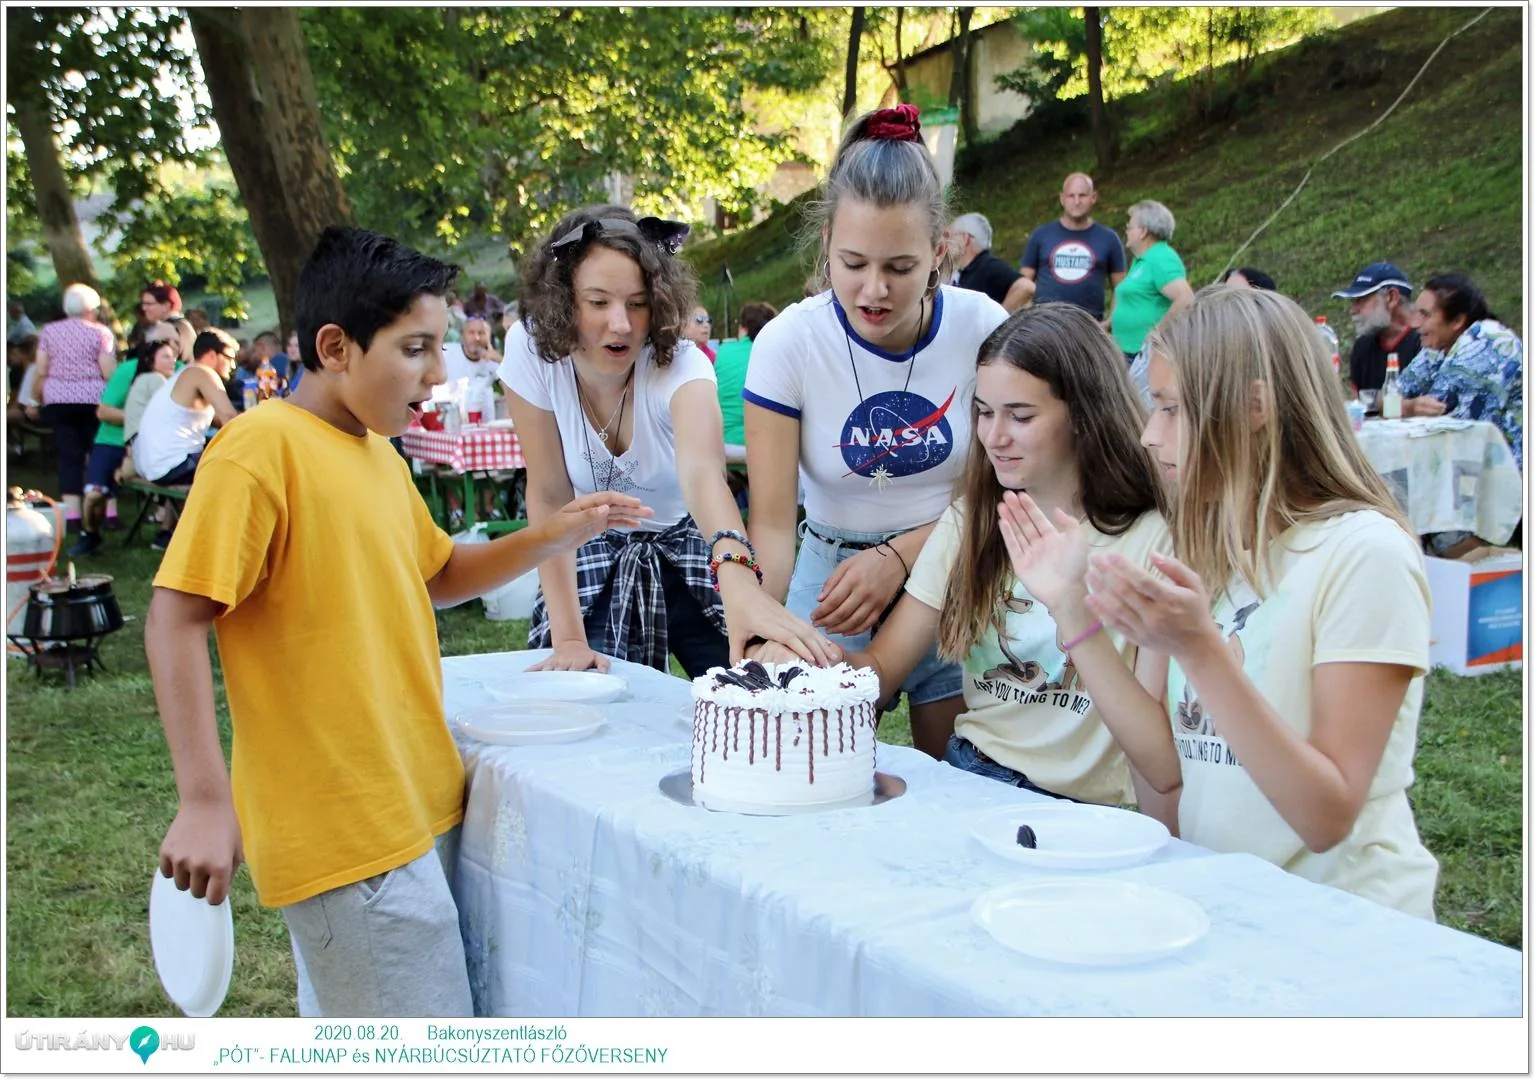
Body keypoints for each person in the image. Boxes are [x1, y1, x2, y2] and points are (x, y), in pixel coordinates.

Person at [146, 224, 651, 1018]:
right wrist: (205, 798)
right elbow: (174, 618)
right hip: (343, 831)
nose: (440, 372)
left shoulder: (377, 451)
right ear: (337, 347)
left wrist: (551, 534)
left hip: (409, 800)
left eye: (442, 346)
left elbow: (439, 575)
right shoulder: (260, 450)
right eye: (417, 348)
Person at [1078, 285, 1439, 919]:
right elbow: (1166, 774)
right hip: (1228, 913)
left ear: (1254, 407)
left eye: (1168, 408)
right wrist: (1069, 610)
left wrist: (1199, 649)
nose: (1146, 436)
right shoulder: (1208, 547)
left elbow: (1325, 816)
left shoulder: (1364, 554)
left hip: (1345, 927)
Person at [742, 104, 1011, 759]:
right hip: (829, 580)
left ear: (939, 251)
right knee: (800, 764)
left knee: (960, 786)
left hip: (955, 573)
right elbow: (773, 524)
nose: (873, 290)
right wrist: (761, 628)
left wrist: (900, 557)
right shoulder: (788, 343)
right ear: (827, 239)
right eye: (852, 262)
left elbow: (1008, 488)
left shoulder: (983, 327)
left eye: (899, 267)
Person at [838, 304, 1173, 804]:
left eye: (1020, 416)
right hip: (974, 775)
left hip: (1088, 809)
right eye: (984, 413)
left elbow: (1162, 756)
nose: (994, 437)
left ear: (1085, 414)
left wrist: (1072, 609)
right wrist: (807, 659)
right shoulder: (969, 521)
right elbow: (882, 668)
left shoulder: (1153, 538)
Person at [501, 206, 835, 677]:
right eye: (598, 302)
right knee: (592, 699)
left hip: (688, 548)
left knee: (750, 685)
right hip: (587, 548)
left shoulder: (681, 364)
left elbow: (703, 476)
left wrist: (739, 581)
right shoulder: (530, 349)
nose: (620, 323)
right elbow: (550, 493)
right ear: (563, 301)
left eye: (637, 304)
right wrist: (570, 637)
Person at [1398, 273, 1523, 469]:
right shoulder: (1438, 345)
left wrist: (1403, 408)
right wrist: (1408, 407)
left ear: (1457, 321)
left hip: (1511, 477)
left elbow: (1440, 423)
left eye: (1425, 315)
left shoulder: (1488, 342)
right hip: (1471, 466)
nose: (1415, 323)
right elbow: (1388, 396)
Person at [133, 328, 240, 550]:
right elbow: (230, 418)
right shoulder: (203, 373)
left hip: (153, 464)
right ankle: (224, 542)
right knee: (240, 469)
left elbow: (214, 421)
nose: (233, 365)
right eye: (229, 358)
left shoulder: (185, 375)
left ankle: (167, 534)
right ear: (211, 355)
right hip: (171, 464)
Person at [34, 282, 117, 526]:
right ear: (92, 308)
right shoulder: (100, 333)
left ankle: (72, 514)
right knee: (98, 453)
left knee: (69, 455)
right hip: (93, 399)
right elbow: (108, 371)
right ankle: (106, 512)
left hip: (58, 398)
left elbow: (41, 368)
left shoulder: (49, 332)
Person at [1017, 172, 1128, 321]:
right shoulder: (1041, 235)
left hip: (1089, 326)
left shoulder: (1109, 238)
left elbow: (1121, 289)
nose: (1076, 201)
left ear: (1093, 197)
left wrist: (1109, 323)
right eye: (1071, 196)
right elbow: (1023, 284)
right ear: (1062, 199)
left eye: (1082, 195)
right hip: (1045, 325)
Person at [71, 338, 146, 555]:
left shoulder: (180, 372)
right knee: (94, 495)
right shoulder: (127, 370)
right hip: (112, 441)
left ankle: (167, 533)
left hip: (149, 447)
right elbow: (104, 412)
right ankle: (89, 533)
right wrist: (142, 419)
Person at [1108, 199, 1193, 362]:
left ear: (1143, 232)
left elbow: (1185, 298)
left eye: (1130, 227)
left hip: (1145, 356)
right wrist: (1109, 323)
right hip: (1126, 351)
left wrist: (1157, 332)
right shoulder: (1141, 260)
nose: (1126, 231)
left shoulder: (1161, 258)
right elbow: (1134, 300)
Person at [1332, 261, 1420, 394]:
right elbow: (1359, 407)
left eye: (1361, 299)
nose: (1353, 310)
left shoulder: (1427, 342)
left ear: (1391, 298)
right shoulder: (1362, 348)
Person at [713, 301, 777, 466]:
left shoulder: (724, 351)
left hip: (725, 446)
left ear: (743, 328)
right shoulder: (775, 352)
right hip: (765, 447)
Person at [120, 338, 180, 486]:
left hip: (137, 449)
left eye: (173, 356)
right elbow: (172, 412)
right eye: (166, 356)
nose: (173, 360)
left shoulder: (142, 379)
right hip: (150, 449)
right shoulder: (156, 379)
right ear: (150, 360)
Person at [947, 213, 1032, 312]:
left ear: (965, 239)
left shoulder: (988, 266)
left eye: (951, 237)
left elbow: (1026, 287)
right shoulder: (970, 270)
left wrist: (999, 320)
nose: (947, 243)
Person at [133, 281, 196, 362]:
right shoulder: (184, 325)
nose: (143, 308)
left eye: (148, 304)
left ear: (166, 306)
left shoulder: (166, 330)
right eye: (143, 304)